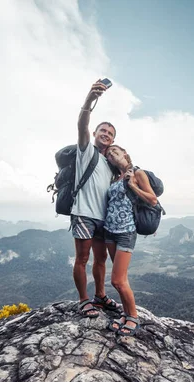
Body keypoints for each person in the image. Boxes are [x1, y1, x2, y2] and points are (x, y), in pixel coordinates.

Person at [72, 81, 122, 318]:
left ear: (113, 140)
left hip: (103, 217)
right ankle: (83, 300)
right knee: (82, 258)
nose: (106, 134)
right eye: (103, 130)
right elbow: (82, 123)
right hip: (83, 212)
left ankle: (100, 295)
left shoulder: (110, 165)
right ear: (94, 133)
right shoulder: (86, 151)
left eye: (110, 134)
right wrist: (90, 99)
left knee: (100, 259)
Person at [103, 145, 158, 336]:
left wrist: (133, 185)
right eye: (109, 154)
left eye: (115, 152)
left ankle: (133, 316)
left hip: (126, 231)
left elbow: (152, 199)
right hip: (109, 232)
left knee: (117, 280)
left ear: (125, 154)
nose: (111, 155)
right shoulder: (113, 178)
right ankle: (126, 315)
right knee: (122, 279)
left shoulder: (137, 172)